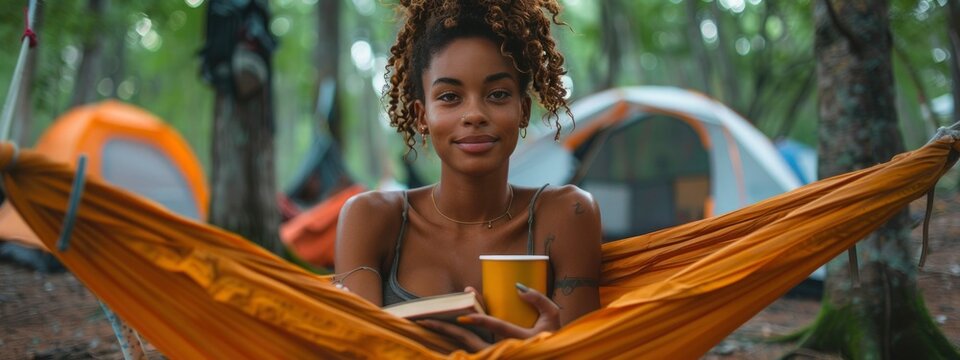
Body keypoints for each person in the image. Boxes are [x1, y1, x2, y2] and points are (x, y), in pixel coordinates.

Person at [334, 0, 601, 352]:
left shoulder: (566, 215)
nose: (474, 114)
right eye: (449, 97)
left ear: (522, 111)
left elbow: (589, 354)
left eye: (498, 94)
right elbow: (356, 350)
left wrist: (546, 352)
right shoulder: (372, 219)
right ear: (421, 115)